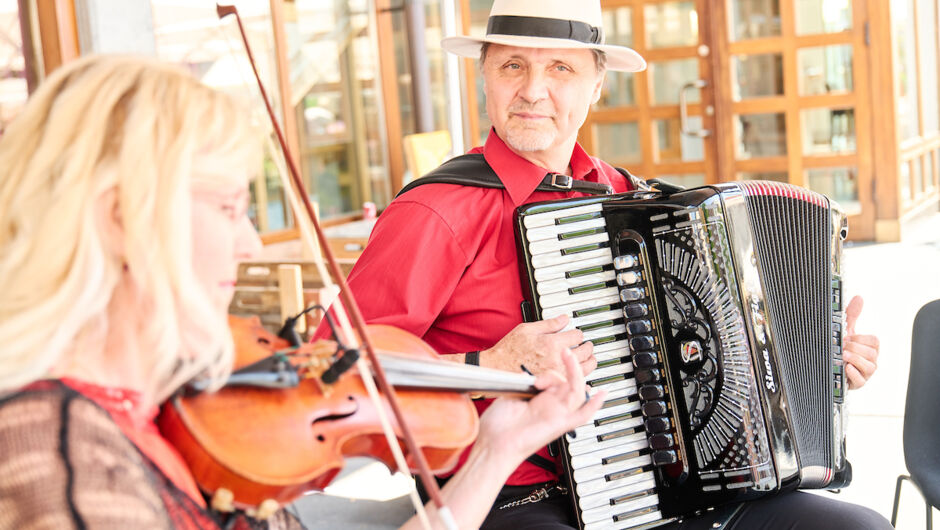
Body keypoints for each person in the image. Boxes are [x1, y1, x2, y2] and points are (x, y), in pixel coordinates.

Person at [325, 0, 888, 528]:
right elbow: (334, 374)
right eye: (512, 66)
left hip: (662, 487)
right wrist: (487, 364)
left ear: (597, 84)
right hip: (513, 495)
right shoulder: (434, 212)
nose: (532, 91)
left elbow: (712, 354)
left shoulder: (631, 201)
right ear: (484, 76)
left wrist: (811, 369)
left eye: (562, 70)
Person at [0, 54, 605, 530]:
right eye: (229, 207)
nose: (252, 244)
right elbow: (339, 361)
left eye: (562, 69)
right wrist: (482, 367)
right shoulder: (61, 464)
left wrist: (497, 449)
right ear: (119, 218)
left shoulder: (143, 413)